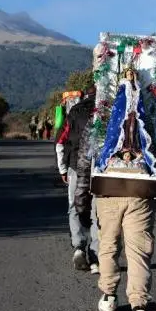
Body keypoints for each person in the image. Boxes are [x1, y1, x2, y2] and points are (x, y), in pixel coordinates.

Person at [75, 115, 156, 311]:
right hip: (141, 190)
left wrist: (81, 200)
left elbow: (85, 161)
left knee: (108, 244)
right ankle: (139, 310)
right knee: (139, 250)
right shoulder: (148, 115)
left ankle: (109, 296)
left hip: (108, 189)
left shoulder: (100, 116)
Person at [55, 85, 99, 274]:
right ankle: (96, 254)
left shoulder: (74, 111)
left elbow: (60, 140)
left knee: (75, 205)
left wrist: (62, 168)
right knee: (98, 210)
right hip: (100, 168)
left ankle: (79, 246)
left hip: (76, 165)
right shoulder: (109, 110)